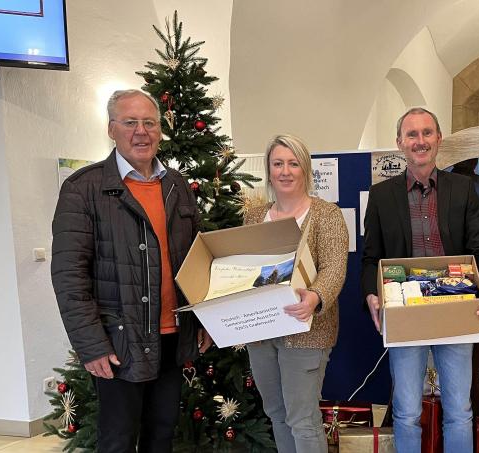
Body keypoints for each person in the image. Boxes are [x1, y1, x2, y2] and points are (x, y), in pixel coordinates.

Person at [51, 89, 212, 452]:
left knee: (162, 435)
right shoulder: (84, 188)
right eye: (130, 122)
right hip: (118, 342)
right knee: (119, 440)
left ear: (160, 130)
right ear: (111, 129)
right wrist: (91, 345)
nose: (141, 131)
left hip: (172, 337)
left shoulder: (177, 186)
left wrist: (204, 320)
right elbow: (69, 276)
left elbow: (198, 260)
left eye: (149, 123)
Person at [361, 107, 479, 453]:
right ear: (399, 143)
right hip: (405, 314)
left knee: (459, 411)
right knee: (406, 412)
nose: (419, 141)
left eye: (426, 133)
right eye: (411, 135)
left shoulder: (462, 189)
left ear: (438, 139)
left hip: (456, 309)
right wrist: (371, 295)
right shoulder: (381, 196)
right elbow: (370, 258)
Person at [243, 134, 349, 453]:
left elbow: (334, 267)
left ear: (305, 169)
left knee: (302, 419)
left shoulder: (326, 214)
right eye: (278, 164)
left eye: (293, 163)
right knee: (276, 413)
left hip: (306, 332)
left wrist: (315, 297)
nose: (285, 171)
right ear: (269, 170)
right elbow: (242, 269)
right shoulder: (252, 217)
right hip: (261, 332)